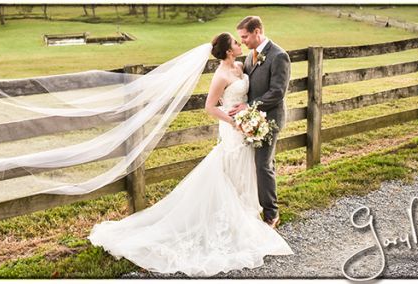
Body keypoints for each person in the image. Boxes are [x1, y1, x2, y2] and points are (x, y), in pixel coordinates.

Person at [87, 29, 293, 277]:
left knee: (245, 168)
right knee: (230, 168)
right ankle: (228, 219)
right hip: (232, 129)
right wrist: (233, 122)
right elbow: (210, 106)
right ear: (228, 50)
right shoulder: (220, 75)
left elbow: (255, 90)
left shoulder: (242, 65)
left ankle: (246, 214)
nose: (241, 44)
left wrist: (248, 117)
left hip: (246, 127)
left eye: (241, 39)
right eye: (237, 42)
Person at [228, 16, 290, 228]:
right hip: (251, 119)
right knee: (255, 164)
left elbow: (277, 92)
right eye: (241, 38)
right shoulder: (249, 56)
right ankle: (252, 206)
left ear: (257, 31)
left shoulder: (278, 56)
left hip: (269, 119)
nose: (242, 41)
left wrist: (249, 106)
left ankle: (272, 214)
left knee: (263, 165)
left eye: (245, 36)